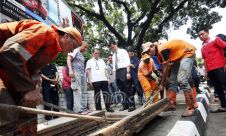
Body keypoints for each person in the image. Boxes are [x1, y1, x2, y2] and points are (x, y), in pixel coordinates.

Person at [0, 20, 82, 135]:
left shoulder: (54, 52)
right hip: (4, 66)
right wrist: (28, 89)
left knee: (28, 110)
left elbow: (33, 69)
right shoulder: (45, 32)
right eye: (73, 46)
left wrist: (36, 86)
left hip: (8, 72)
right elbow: (10, 52)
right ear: (67, 36)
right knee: (7, 112)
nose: (72, 50)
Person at [155, 39, 197, 117]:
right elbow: (165, 67)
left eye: (148, 50)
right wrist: (164, 81)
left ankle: (191, 107)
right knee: (172, 80)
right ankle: (171, 104)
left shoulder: (162, 49)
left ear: (153, 46)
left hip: (187, 53)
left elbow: (166, 68)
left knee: (182, 80)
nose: (148, 53)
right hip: (179, 57)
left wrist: (161, 83)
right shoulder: (158, 54)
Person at [198, 28, 226, 112]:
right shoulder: (202, 47)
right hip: (210, 70)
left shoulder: (215, 40)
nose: (201, 36)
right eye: (199, 35)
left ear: (207, 33)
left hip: (219, 67)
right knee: (218, 88)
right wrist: (206, 71)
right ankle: (224, 106)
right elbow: (205, 60)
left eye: (202, 34)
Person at [108, 41, 135, 112]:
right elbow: (114, 67)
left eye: (113, 47)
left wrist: (128, 72)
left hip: (124, 70)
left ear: (116, 44)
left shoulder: (123, 51)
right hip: (117, 72)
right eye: (111, 48)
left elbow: (127, 62)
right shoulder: (113, 55)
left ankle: (131, 105)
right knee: (121, 89)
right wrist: (114, 76)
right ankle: (125, 105)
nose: (112, 49)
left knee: (128, 88)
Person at [67, 41, 90, 114]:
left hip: (82, 74)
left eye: (87, 47)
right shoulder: (74, 50)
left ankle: (84, 108)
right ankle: (78, 110)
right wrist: (70, 70)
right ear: (81, 45)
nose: (86, 49)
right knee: (77, 90)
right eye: (85, 47)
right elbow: (68, 59)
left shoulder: (81, 54)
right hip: (76, 73)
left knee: (84, 91)